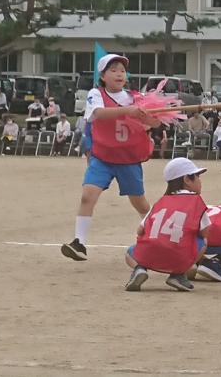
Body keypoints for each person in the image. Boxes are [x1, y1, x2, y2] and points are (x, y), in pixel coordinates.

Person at [61, 54, 160, 262]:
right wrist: (128, 111)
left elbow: (155, 123)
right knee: (88, 196)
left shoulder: (135, 98)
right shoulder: (96, 94)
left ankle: (158, 237)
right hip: (103, 157)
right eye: (113, 70)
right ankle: (79, 243)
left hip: (128, 159)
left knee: (141, 204)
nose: (119, 74)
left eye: (122, 70)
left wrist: (151, 117)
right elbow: (98, 114)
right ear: (103, 76)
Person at [124, 158, 210, 292]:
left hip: (148, 255)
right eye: (197, 176)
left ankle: (140, 269)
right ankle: (178, 274)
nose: (200, 181)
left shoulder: (161, 202)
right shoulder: (196, 202)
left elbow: (140, 230)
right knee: (203, 241)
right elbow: (205, 232)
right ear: (187, 180)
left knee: (130, 252)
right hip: (178, 257)